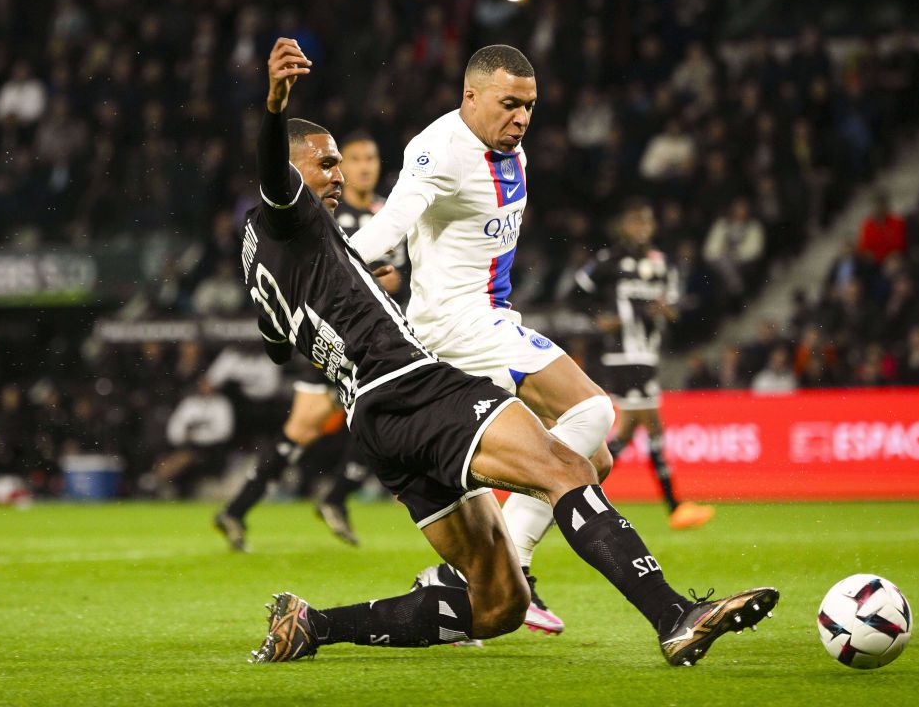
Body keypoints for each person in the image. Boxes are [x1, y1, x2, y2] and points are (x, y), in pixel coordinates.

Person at [243, 38, 777, 666]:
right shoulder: (295, 214)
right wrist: (275, 105)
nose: (341, 177)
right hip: (416, 383)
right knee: (569, 465)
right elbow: (287, 184)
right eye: (326, 165)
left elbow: (278, 344)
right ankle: (673, 615)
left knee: (499, 605)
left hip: (375, 419)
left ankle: (311, 625)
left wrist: (346, 288)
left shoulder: (260, 257)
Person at [349, 44, 619, 635]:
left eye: (529, 106)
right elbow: (392, 224)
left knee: (593, 457)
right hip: (456, 323)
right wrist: (331, 270)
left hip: (492, 319)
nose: (521, 118)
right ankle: (514, 560)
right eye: (508, 104)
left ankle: (473, 574)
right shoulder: (436, 149)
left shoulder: (509, 149)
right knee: (592, 408)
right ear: (470, 96)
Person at [214, 130, 400, 550]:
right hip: (330, 335)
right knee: (321, 425)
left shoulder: (388, 215)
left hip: (370, 334)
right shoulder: (320, 211)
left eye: (371, 158)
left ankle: (244, 509)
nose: (364, 167)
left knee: (354, 419)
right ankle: (322, 499)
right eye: (353, 160)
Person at [575, 200, 715, 530]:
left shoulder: (661, 263)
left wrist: (668, 312)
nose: (642, 228)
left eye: (646, 222)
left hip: (648, 353)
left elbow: (675, 309)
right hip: (624, 354)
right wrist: (601, 319)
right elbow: (577, 292)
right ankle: (674, 506)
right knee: (649, 424)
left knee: (631, 430)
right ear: (625, 226)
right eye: (635, 222)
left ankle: (575, 494)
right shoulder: (610, 261)